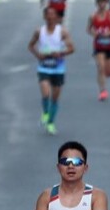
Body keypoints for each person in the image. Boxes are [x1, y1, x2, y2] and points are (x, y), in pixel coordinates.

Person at [28, 7, 75, 135]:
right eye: (48, 14)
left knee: (54, 98)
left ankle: (51, 123)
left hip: (58, 69)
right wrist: (38, 55)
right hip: (44, 68)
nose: (50, 17)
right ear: (44, 17)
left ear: (56, 17)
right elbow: (30, 45)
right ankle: (45, 113)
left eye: (52, 14)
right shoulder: (39, 31)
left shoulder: (62, 32)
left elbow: (71, 49)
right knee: (45, 93)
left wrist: (60, 53)